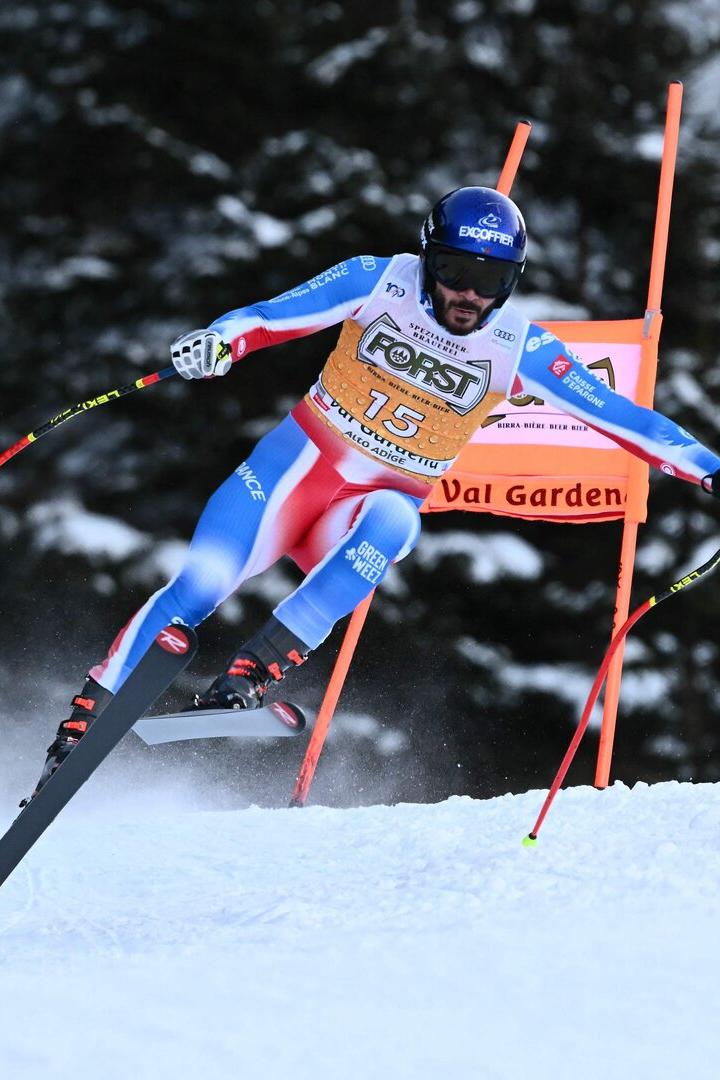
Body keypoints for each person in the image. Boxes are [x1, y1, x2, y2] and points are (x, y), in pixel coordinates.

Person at [26, 186, 720, 798]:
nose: (468, 294)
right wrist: (219, 341)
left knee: (396, 519)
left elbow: (626, 418)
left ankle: (252, 672)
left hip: (361, 510)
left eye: (491, 278)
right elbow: (271, 314)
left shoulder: (520, 347)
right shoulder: (375, 281)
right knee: (201, 584)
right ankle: (86, 720)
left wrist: (706, 466)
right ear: (426, 260)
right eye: (453, 271)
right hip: (291, 475)